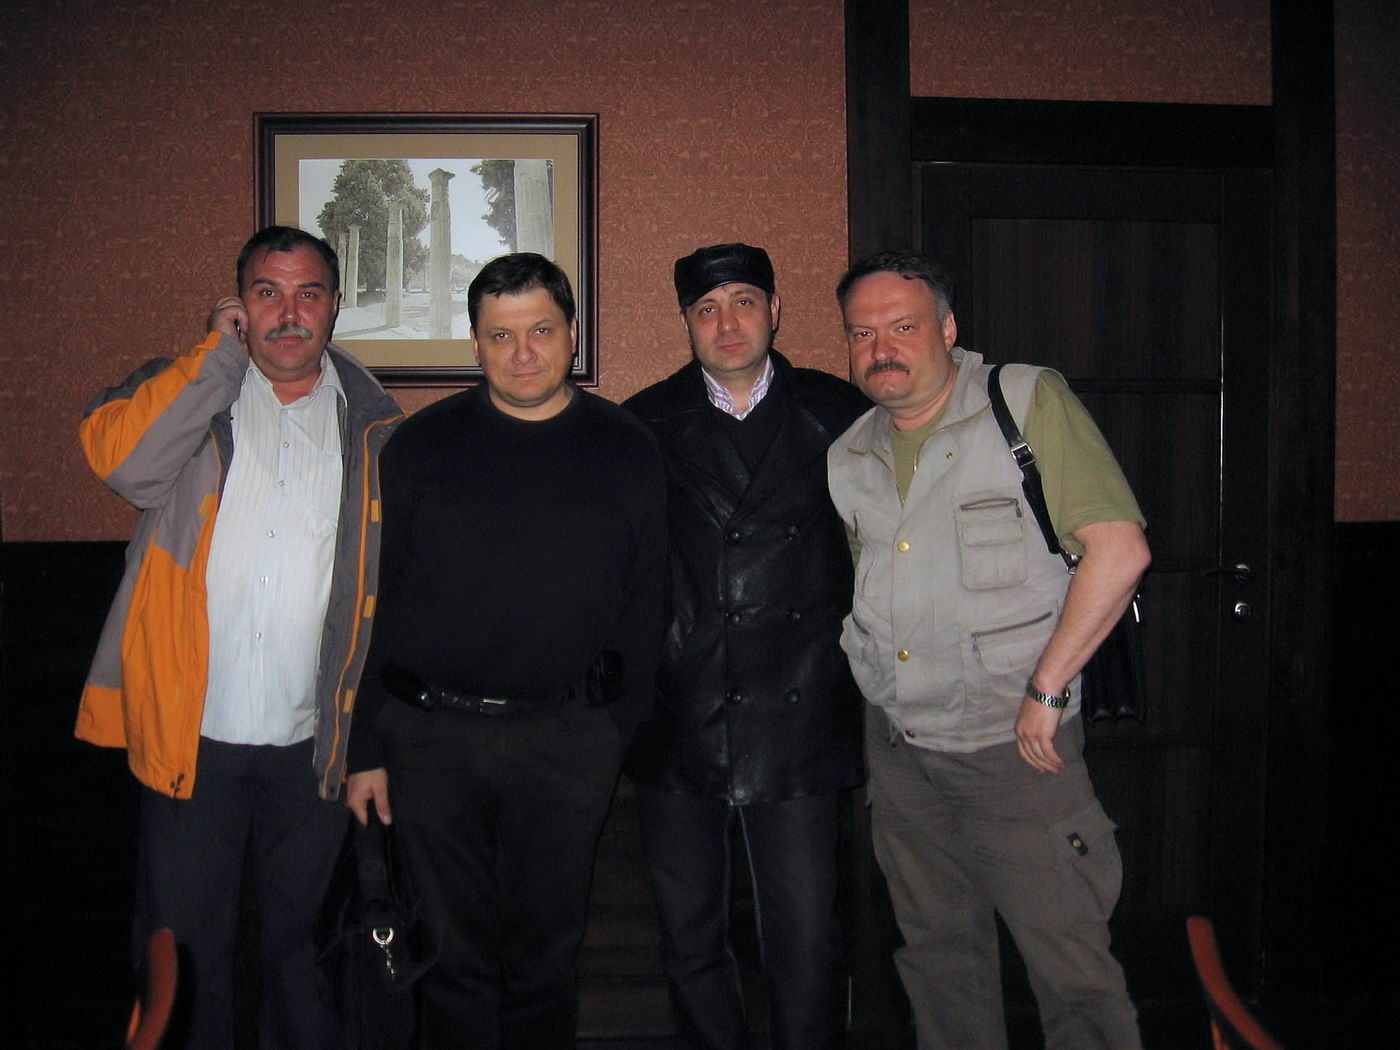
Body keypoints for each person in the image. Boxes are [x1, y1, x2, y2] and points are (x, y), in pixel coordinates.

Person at [76, 225, 403, 1049]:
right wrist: (216, 358)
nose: (288, 313)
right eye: (267, 292)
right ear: (237, 306)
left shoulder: (377, 427)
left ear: (334, 307)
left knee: (305, 957)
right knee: (184, 958)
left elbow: (391, 598)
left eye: (308, 293)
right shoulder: (191, 392)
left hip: (314, 748)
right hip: (190, 738)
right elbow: (126, 468)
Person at [827, 249, 1150, 1050]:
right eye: (861, 334)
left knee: (1071, 968)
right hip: (901, 754)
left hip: (1015, 750)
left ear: (947, 329)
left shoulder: (1024, 402)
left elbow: (1119, 550)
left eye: (902, 326)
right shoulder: (849, 455)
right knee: (940, 965)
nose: (881, 348)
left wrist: (1047, 689)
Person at [344, 252, 667, 1050]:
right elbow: (380, 600)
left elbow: (647, 601)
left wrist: (613, 731)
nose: (523, 353)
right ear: (475, 343)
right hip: (431, 738)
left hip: (566, 741)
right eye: (501, 335)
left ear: (573, 333)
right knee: (448, 955)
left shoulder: (627, 447)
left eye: (541, 331)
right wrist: (366, 746)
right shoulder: (419, 447)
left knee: (547, 953)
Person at [623, 243, 868, 1050]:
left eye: (744, 302)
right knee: (689, 937)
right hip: (680, 710)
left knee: (807, 939)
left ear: (775, 311)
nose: (726, 323)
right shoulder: (642, 423)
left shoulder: (841, 414)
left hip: (803, 710)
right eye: (706, 309)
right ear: (686, 323)